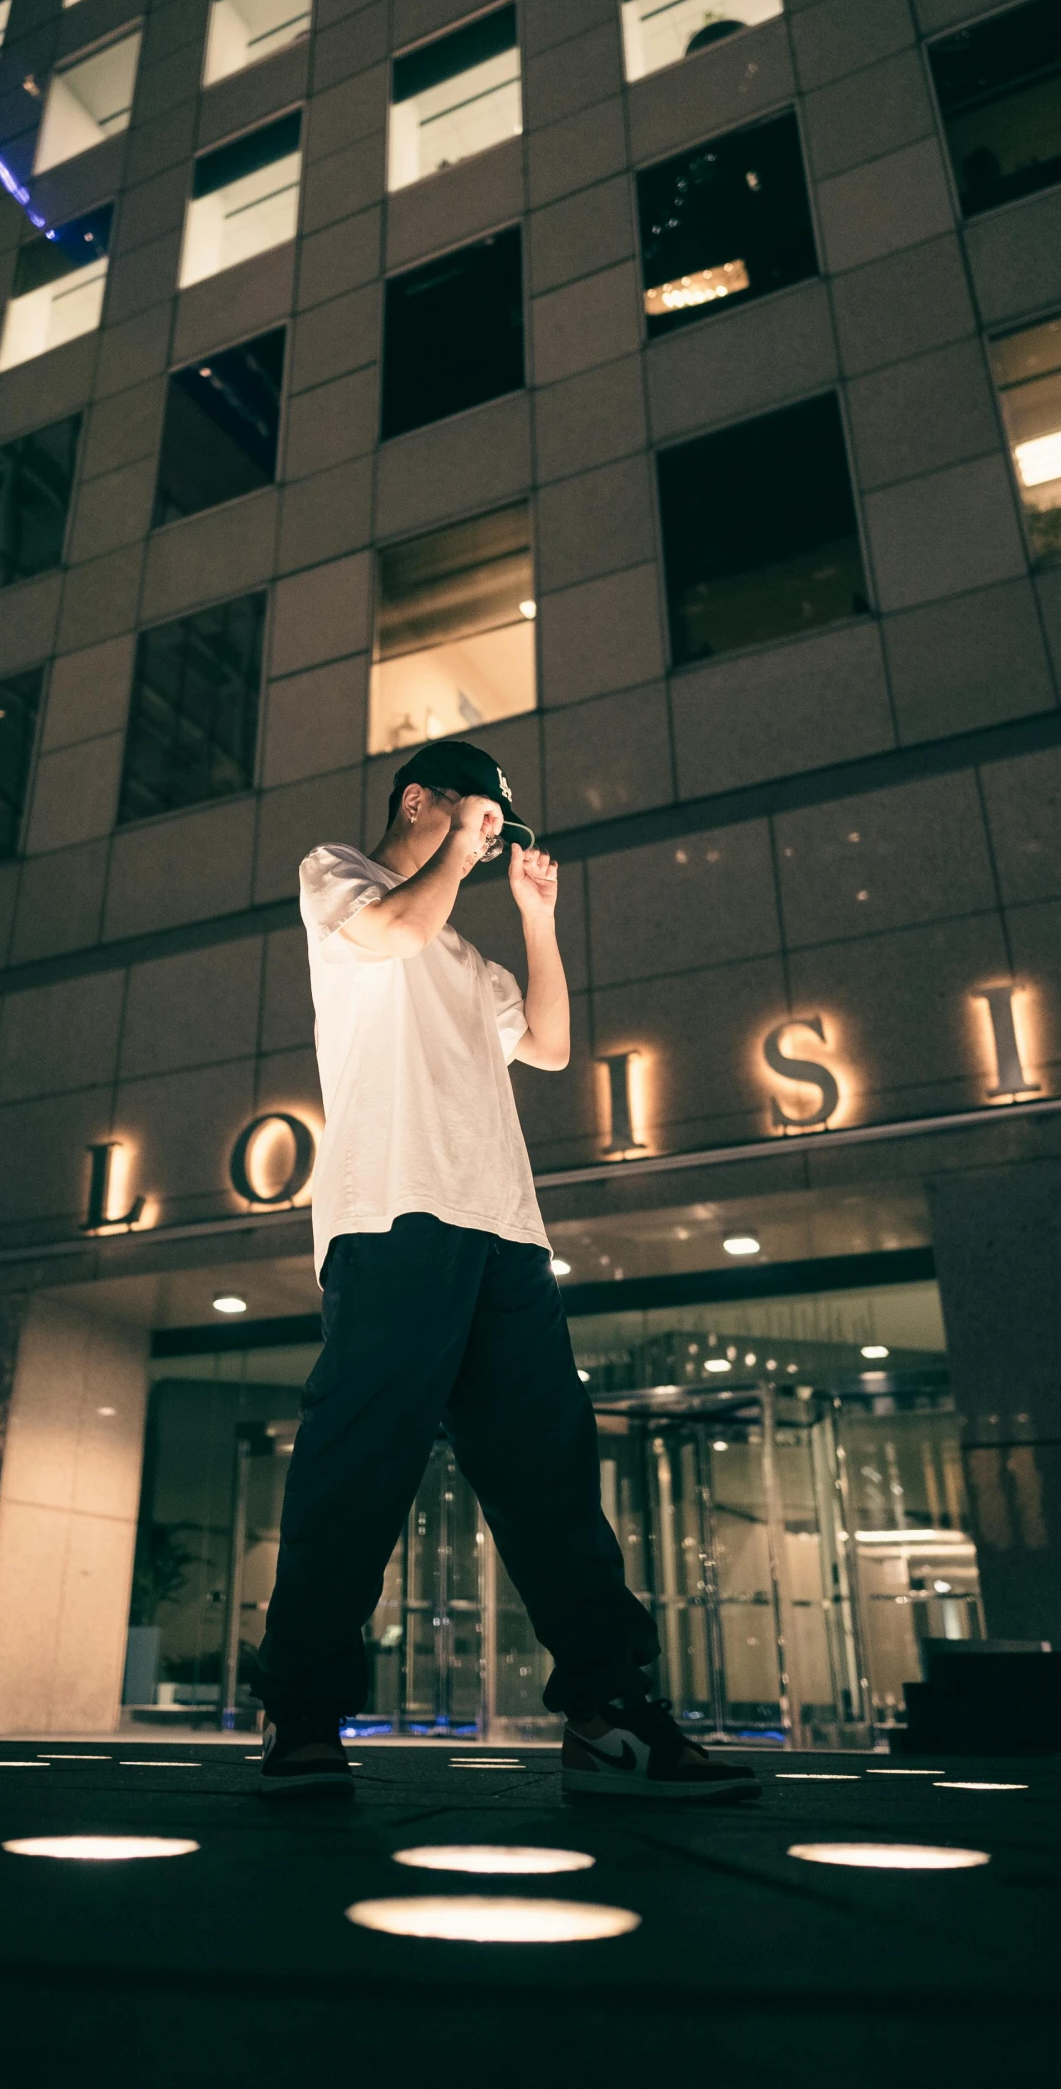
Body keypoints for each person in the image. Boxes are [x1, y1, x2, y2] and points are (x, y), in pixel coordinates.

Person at [253, 740, 759, 1806]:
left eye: (499, 825)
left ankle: (608, 1715)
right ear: (418, 800)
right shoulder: (338, 875)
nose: (489, 838)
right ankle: (301, 1717)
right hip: (392, 1214)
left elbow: (554, 1045)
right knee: (359, 1467)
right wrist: (455, 848)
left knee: (551, 1473)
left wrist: (534, 917)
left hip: (505, 1232)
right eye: (479, 814)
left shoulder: (469, 961)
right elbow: (394, 925)